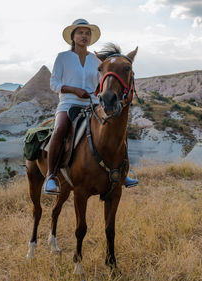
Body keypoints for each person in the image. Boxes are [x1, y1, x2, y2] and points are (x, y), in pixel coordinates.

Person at [44, 18, 138, 194]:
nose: (84, 36)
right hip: (69, 103)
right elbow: (54, 83)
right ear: (73, 37)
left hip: (93, 104)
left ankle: (123, 172)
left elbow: (101, 83)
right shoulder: (62, 58)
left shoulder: (96, 60)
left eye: (87, 33)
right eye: (80, 33)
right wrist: (74, 90)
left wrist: (101, 93)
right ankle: (51, 176)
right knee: (59, 129)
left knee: (118, 129)